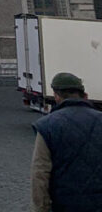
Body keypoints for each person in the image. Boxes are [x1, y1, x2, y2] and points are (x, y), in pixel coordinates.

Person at [31, 71, 102, 212]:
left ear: (56, 96)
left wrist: (41, 208)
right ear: (83, 95)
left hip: (65, 204)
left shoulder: (47, 126)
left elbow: (40, 173)